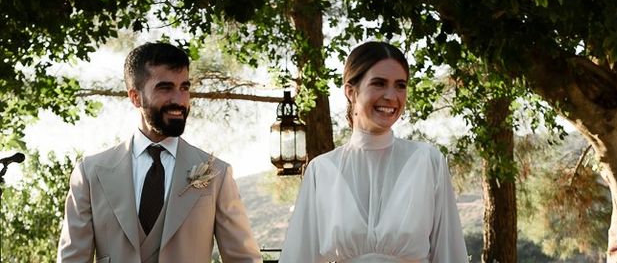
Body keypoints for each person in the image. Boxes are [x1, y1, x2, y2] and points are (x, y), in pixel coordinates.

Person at [57, 41, 262, 263]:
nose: (179, 100)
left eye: (184, 87)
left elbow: (244, 259)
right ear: (135, 97)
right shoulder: (90, 174)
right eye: (165, 88)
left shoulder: (217, 174)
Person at [280, 41, 468, 262]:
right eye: (379, 84)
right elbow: (299, 256)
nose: (391, 96)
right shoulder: (322, 171)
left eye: (400, 85)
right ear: (351, 91)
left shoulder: (428, 161)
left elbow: (450, 253)